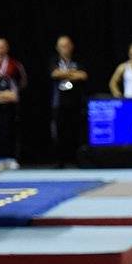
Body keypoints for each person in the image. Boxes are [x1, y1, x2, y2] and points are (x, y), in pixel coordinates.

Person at [49, 36, 87, 167]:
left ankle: (77, 160)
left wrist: (64, 73)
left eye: (67, 45)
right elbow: (54, 74)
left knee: (76, 132)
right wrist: (72, 73)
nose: (65, 48)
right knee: (59, 133)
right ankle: (60, 161)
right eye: (62, 46)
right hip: (59, 103)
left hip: (75, 103)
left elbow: (83, 75)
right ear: (58, 48)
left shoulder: (78, 61)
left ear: (71, 46)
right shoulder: (54, 60)